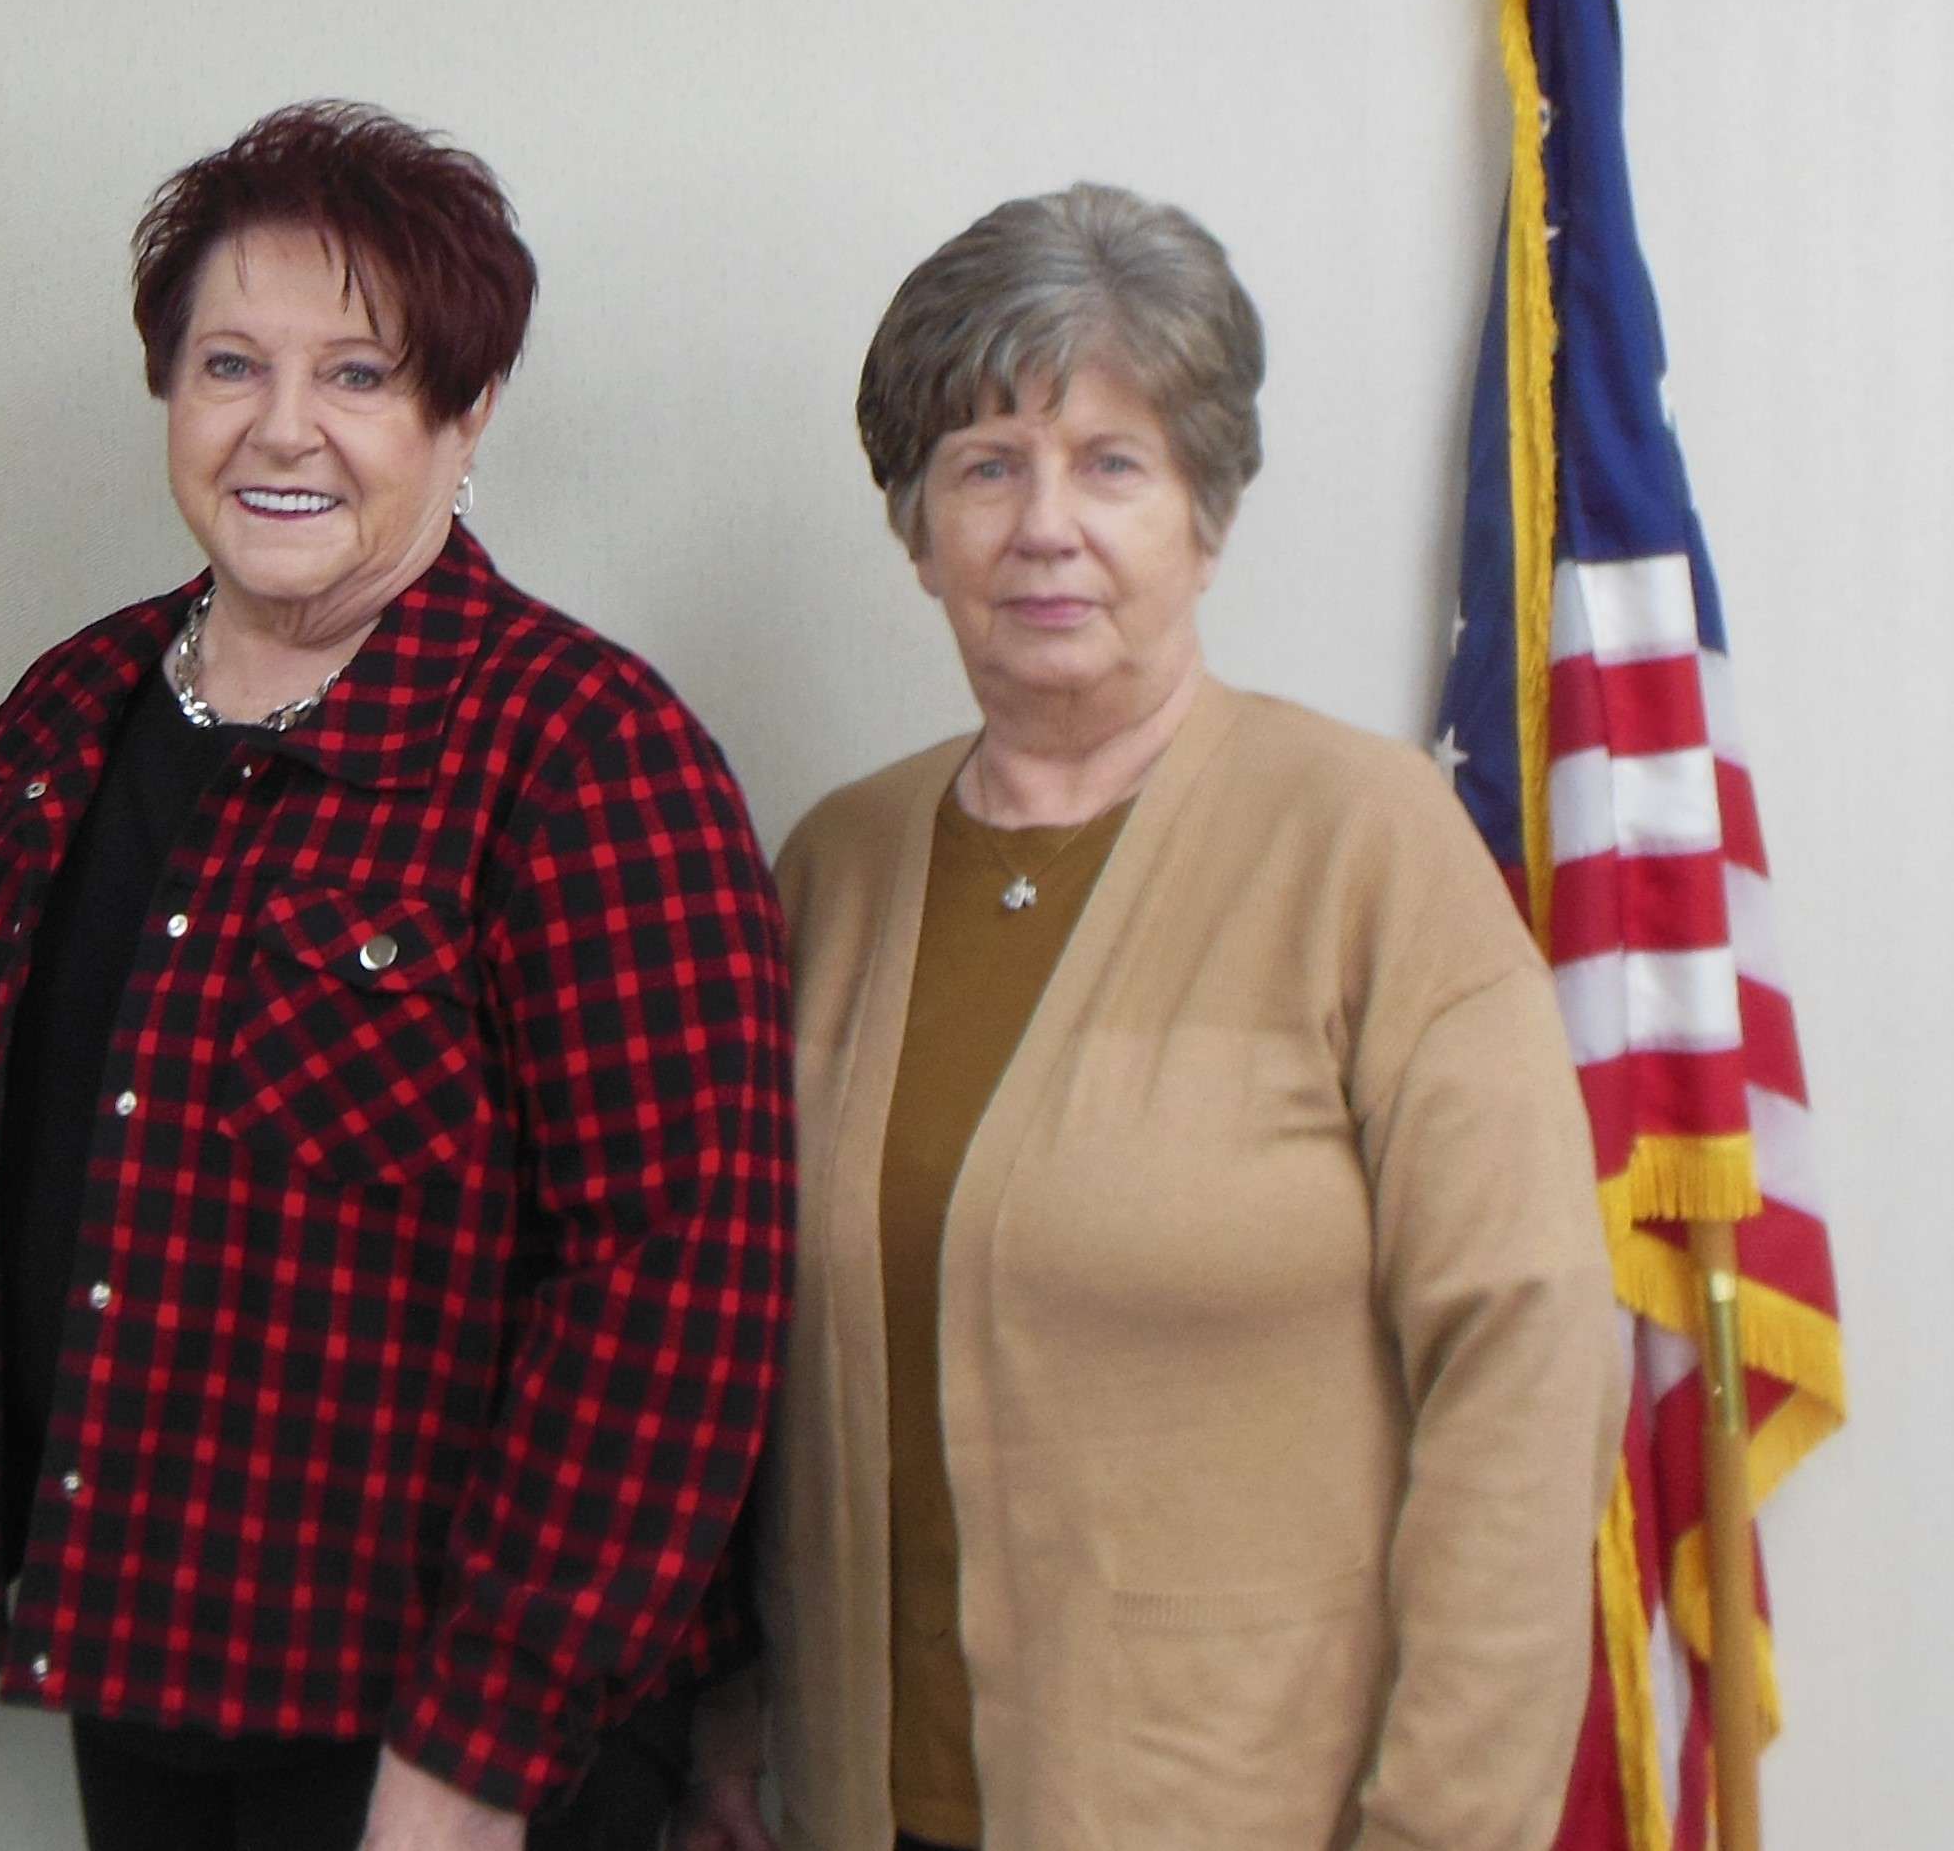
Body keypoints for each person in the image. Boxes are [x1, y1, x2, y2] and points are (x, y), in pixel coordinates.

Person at [0, 102, 795, 1851]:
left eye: (360, 376)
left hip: (440, 1728)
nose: (282, 428)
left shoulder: (581, 753)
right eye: (228, 364)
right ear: (169, 394)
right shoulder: (64, 713)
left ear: (464, 414)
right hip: (142, 1649)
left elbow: (676, 1288)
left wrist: (485, 1744)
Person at [679, 184, 1620, 1851]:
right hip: (853, 1811)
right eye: (985, 466)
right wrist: (735, 1727)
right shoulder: (830, 867)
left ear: (1206, 508)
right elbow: (749, 1366)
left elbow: (1529, 1369)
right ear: (917, 530)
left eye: (1112, 462)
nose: (1048, 525)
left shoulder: (1371, 846)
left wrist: (1444, 1828)